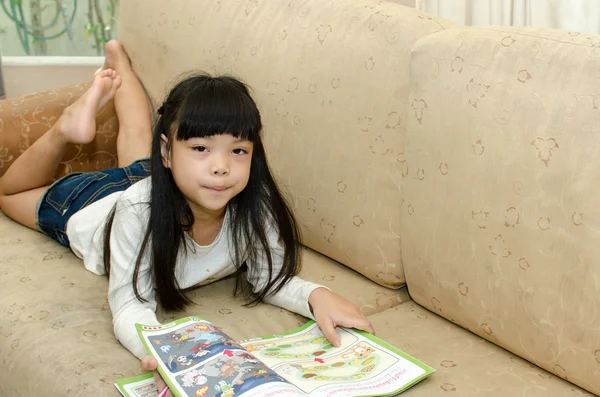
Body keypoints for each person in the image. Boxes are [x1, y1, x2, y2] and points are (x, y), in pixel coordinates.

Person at [0, 40, 375, 391]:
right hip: (95, 205)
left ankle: (117, 63)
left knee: (135, 140)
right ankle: (66, 126)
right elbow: (130, 305)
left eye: (238, 151)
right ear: (169, 152)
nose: (221, 167)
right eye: (200, 147)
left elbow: (267, 278)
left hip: (161, 180)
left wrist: (317, 295)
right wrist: (167, 354)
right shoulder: (136, 210)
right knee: (7, 193)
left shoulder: (251, 205)